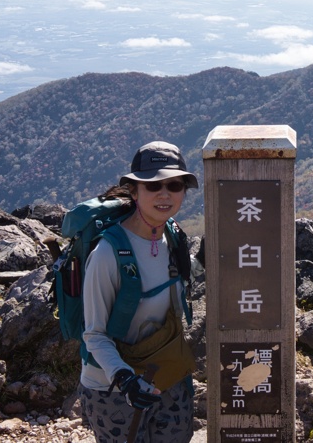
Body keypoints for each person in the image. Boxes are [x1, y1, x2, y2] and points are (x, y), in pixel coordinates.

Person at [78, 141, 198, 443]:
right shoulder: (108, 253)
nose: (165, 194)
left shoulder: (172, 235)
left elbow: (183, 280)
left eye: (174, 185)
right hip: (113, 388)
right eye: (153, 185)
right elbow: (94, 334)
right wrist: (125, 379)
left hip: (168, 376)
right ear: (134, 191)